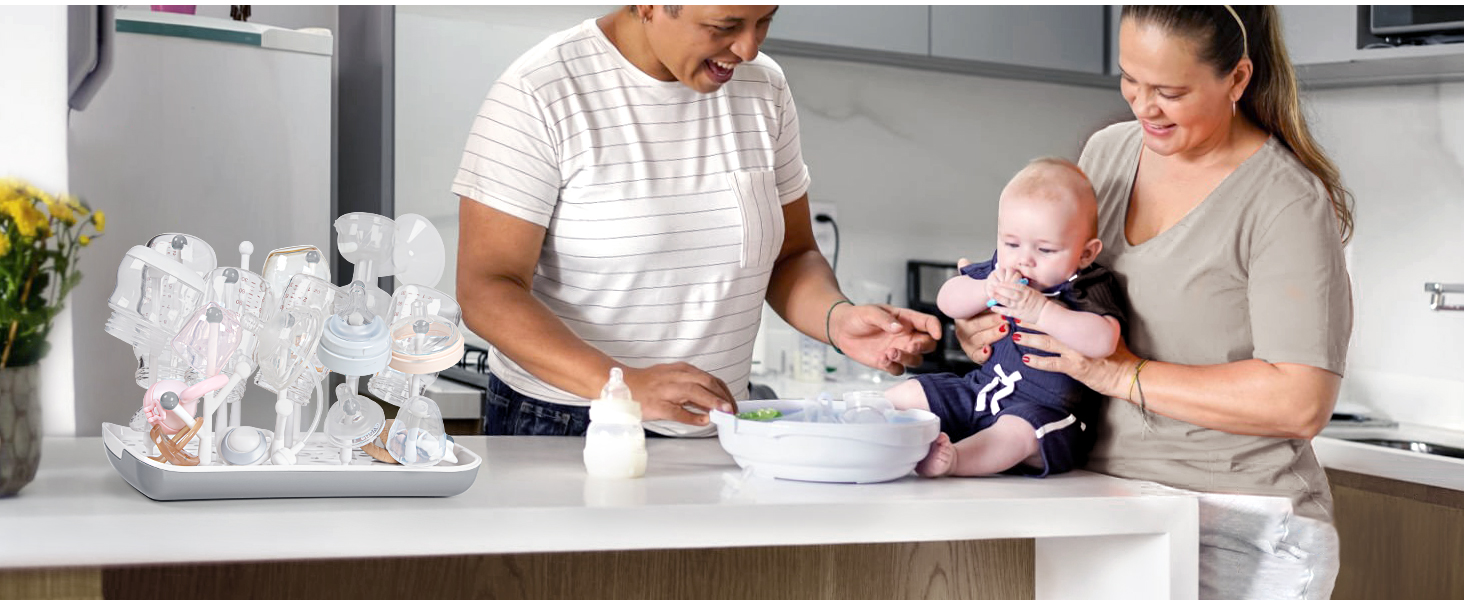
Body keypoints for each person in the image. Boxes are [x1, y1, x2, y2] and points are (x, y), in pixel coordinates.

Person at [952, 7, 1353, 599]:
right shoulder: (1108, 156)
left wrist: (1124, 374)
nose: (1143, 107)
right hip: (1102, 503)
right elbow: (1060, 295)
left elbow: (1299, 401)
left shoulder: (1285, 201)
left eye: (1169, 91)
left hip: (1237, 522)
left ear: (1237, 79)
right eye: (1130, 80)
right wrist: (990, 329)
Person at [453, 6, 940, 438]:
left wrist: (838, 319)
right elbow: (487, 288)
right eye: (724, 26)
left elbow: (791, 255)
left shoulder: (764, 89)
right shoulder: (541, 91)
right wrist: (622, 386)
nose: (748, 48)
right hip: (569, 424)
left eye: (765, 21)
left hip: (721, 427)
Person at [885, 158, 1126, 479]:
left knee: (1017, 433)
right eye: (1011, 243)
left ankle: (956, 458)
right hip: (984, 390)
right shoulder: (1002, 269)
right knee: (911, 393)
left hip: (1046, 414)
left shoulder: (1085, 284)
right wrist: (985, 288)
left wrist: (1042, 311)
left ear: (1085, 253)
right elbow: (947, 300)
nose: (1023, 259)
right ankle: (863, 420)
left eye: (1046, 250)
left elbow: (1104, 340)